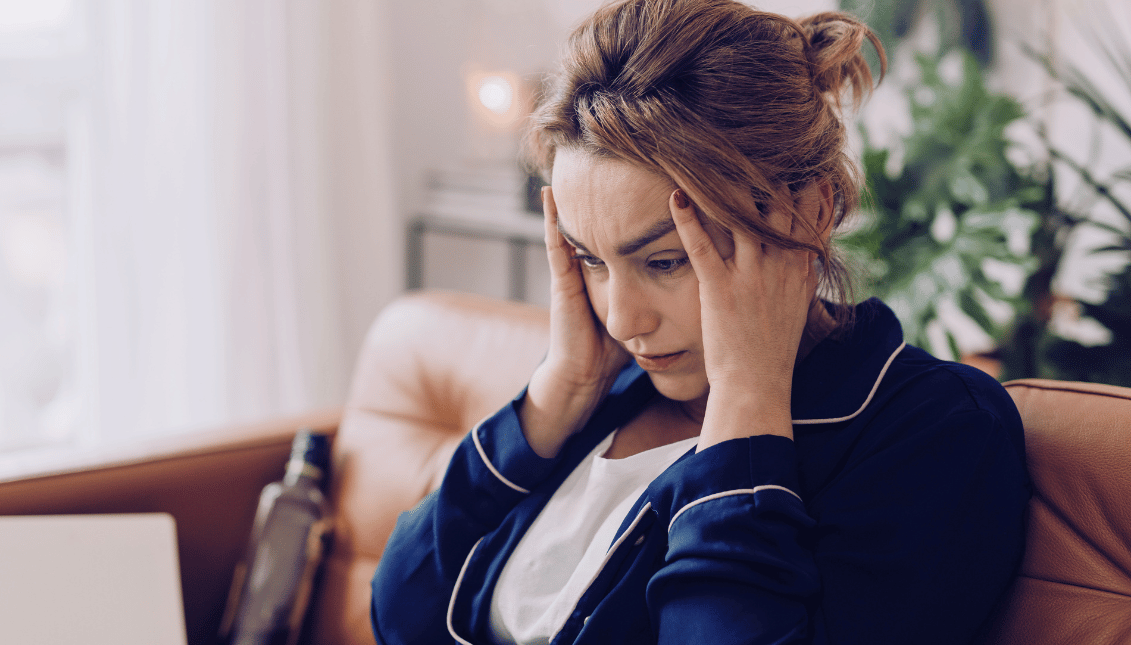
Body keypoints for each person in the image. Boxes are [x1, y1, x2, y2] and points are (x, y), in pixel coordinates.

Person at [371, 0, 1031, 643]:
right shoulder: (609, 394)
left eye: (663, 259)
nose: (624, 319)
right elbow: (400, 611)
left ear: (810, 213)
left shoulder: (936, 430)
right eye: (590, 259)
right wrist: (556, 395)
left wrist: (749, 399)